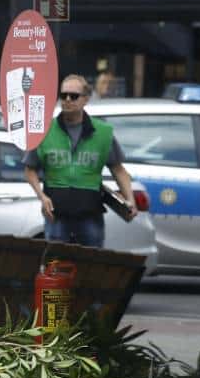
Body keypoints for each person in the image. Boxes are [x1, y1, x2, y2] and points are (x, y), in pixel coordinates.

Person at [23, 74, 136, 248]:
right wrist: (42, 196)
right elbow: (29, 169)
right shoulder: (44, 130)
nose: (67, 100)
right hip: (56, 216)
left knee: (91, 269)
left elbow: (118, 169)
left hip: (90, 216)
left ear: (85, 100)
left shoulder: (103, 132)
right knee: (56, 267)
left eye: (73, 96)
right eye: (63, 95)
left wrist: (130, 200)